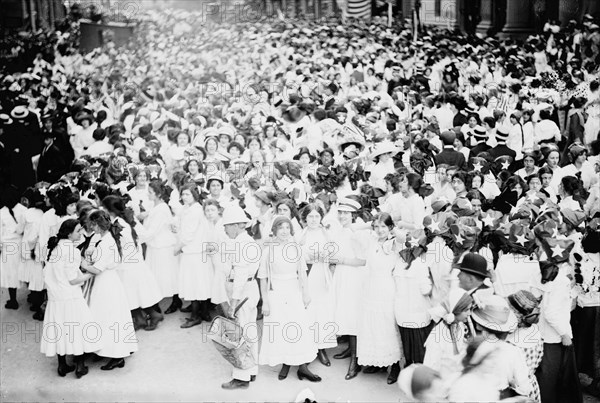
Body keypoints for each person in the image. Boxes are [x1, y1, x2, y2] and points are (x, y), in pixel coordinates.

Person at [258, 216, 320, 382]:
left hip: (294, 291)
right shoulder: (268, 251)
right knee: (280, 328)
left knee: (298, 327)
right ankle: (285, 362)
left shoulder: (296, 249)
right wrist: (265, 301)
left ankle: (302, 367)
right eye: (281, 228)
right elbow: (263, 278)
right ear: (274, 231)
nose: (284, 231)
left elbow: (302, 273)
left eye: (287, 228)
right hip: (276, 292)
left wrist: (306, 293)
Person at [81, 210, 138, 370]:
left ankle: (117, 356)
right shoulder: (107, 238)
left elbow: (97, 269)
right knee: (110, 317)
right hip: (110, 280)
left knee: (109, 318)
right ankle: (110, 349)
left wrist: (84, 263)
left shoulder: (106, 242)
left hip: (105, 281)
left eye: (92, 225)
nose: (91, 228)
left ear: (98, 225)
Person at [41, 219, 98, 378]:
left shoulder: (55, 248)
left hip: (55, 297)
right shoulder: (72, 251)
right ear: (69, 233)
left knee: (60, 329)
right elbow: (73, 279)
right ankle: (80, 366)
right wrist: (90, 274)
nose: (81, 233)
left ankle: (62, 365)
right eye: (78, 231)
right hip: (70, 296)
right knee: (76, 330)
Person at [101, 195, 163, 331]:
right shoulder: (126, 218)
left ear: (109, 210)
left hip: (127, 264)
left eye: (103, 207)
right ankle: (140, 319)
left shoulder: (117, 224)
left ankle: (153, 315)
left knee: (136, 292)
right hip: (132, 261)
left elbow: (117, 243)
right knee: (132, 293)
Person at [358, 213, 403, 384]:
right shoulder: (372, 241)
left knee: (388, 326)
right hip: (371, 286)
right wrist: (370, 224)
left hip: (387, 287)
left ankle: (395, 365)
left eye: (383, 226)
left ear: (390, 227)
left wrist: (392, 229)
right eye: (376, 227)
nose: (379, 230)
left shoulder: (395, 243)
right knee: (374, 325)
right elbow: (353, 228)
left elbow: (403, 236)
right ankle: (380, 363)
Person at [220, 205, 261, 390]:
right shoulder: (246, 241)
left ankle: (241, 377)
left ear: (236, 225)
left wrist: (233, 303)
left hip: (243, 293)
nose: (225, 229)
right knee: (250, 332)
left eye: (226, 226)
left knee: (239, 335)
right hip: (251, 291)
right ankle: (251, 371)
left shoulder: (242, 244)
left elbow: (240, 276)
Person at [329, 197, 368, 380]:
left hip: (354, 277)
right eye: (341, 212)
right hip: (343, 276)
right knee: (344, 313)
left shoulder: (357, 231)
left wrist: (341, 261)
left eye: (346, 213)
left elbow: (363, 260)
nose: (343, 215)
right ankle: (351, 349)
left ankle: (356, 359)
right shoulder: (341, 230)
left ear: (354, 214)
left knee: (352, 316)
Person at [298, 203, 337, 367]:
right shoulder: (301, 235)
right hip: (308, 276)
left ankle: (322, 347)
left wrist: (325, 256)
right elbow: (296, 257)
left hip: (322, 275)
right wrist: (308, 257)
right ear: (305, 218)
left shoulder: (326, 234)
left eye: (316, 216)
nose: (313, 220)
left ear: (321, 218)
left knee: (322, 310)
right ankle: (308, 347)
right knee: (308, 311)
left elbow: (334, 254)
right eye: (310, 216)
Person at [139, 180, 181, 314]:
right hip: (155, 246)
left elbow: (151, 232)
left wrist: (136, 230)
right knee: (157, 275)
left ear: (158, 194)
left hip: (162, 246)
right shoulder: (154, 206)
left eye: (150, 192)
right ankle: (157, 303)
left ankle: (175, 300)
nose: (147, 194)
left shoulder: (162, 209)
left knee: (167, 275)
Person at [176, 184, 213, 328]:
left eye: (188, 194)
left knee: (195, 283)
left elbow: (189, 234)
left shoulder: (195, 210)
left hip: (195, 252)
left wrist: (178, 248)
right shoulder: (187, 209)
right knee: (197, 282)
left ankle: (196, 316)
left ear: (194, 195)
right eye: (183, 194)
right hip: (193, 251)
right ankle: (202, 311)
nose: (185, 197)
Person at [506, 290, 544, 403]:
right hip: (532, 386)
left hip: (515, 391)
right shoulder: (536, 333)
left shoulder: (511, 341)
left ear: (515, 314)